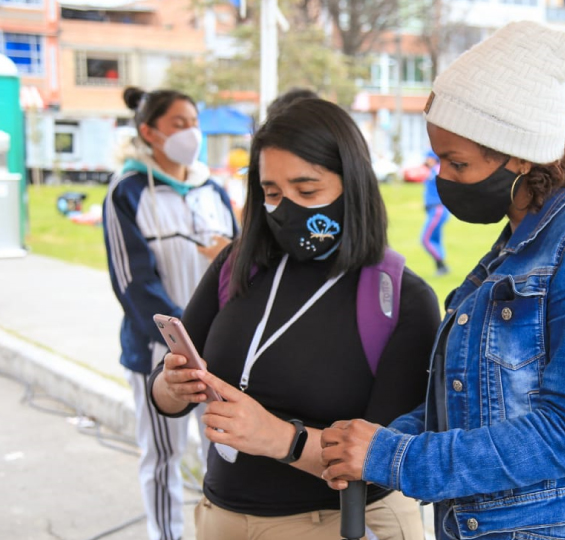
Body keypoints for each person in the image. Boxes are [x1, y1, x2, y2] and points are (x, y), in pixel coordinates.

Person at [320, 21, 565, 540]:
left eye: (458, 163)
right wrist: (380, 439)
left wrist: (395, 456)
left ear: (519, 154)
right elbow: (469, 406)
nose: (443, 178)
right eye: (438, 160)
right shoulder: (513, 247)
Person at [149, 98, 441, 540]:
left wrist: (280, 439)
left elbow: (385, 460)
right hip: (221, 516)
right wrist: (171, 387)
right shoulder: (238, 264)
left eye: (307, 192)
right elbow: (168, 388)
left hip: (334, 523)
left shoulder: (402, 298)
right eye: (272, 193)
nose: (287, 209)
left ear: (354, 185)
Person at [103, 86, 239, 540]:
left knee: (222, 454)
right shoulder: (127, 192)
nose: (191, 133)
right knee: (162, 457)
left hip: (220, 352)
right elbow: (133, 283)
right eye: (178, 124)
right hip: (162, 354)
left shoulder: (212, 190)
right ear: (149, 132)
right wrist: (183, 340)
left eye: (193, 122)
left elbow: (242, 263)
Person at [420, 149, 450, 276]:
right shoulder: (433, 170)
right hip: (434, 209)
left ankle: (441, 265)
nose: (426, 160)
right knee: (435, 239)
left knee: (426, 239)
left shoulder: (437, 170)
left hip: (438, 209)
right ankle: (441, 267)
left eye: (428, 157)